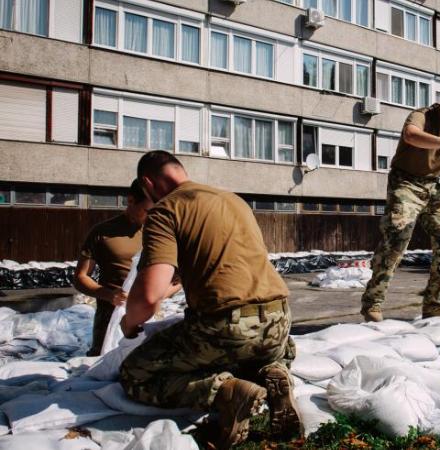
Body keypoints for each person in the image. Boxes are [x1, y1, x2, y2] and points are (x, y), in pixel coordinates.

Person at [119, 151, 300, 449]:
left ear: (147, 184)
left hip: (226, 327)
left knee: (134, 374)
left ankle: (226, 392)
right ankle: (272, 371)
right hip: (279, 321)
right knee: (245, 351)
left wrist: (129, 322)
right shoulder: (233, 200)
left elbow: (149, 297)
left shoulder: (166, 211)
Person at [360, 86, 440, 322]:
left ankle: (434, 305)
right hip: (405, 182)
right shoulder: (421, 115)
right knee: (397, 235)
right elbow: (411, 135)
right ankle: (372, 302)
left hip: (432, 186)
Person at [73, 179, 160, 356]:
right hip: (110, 320)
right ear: (130, 201)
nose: (151, 216)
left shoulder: (159, 233)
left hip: (148, 319)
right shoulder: (102, 233)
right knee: (103, 374)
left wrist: (157, 295)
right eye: (147, 211)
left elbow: (177, 279)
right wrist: (109, 295)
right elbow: (81, 277)